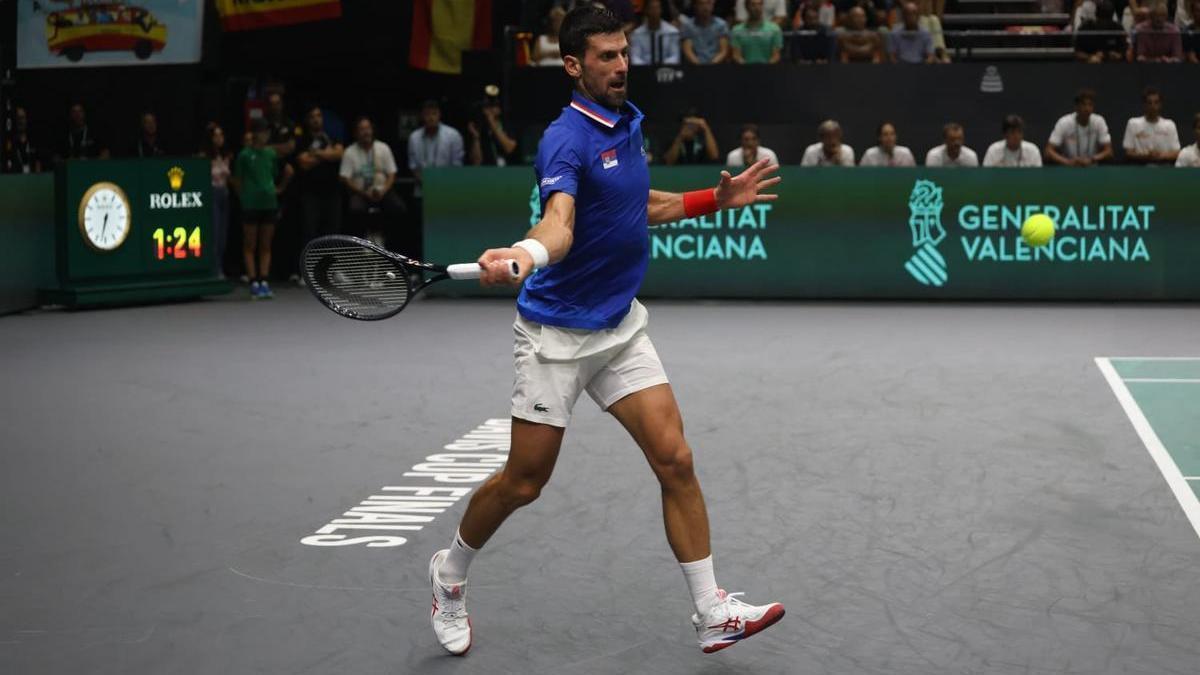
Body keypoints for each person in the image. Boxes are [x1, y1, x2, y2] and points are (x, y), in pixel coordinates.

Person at [427, 5, 785, 658]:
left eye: (624, 53)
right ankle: (449, 573)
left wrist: (714, 199)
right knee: (524, 482)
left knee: (675, 457)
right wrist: (525, 253)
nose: (621, 66)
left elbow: (640, 205)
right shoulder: (565, 139)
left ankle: (711, 610)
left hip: (618, 325)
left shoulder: (628, 120)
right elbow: (558, 223)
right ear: (573, 65)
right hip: (556, 337)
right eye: (606, 56)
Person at [232, 118, 293, 299]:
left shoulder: (270, 154)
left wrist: (280, 187)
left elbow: (274, 175)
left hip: (269, 203)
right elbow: (237, 180)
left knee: (266, 244)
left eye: (266, 132)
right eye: (261, 132)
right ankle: (253, 281)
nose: (264, 135)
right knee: (250, 244)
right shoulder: (244, 155)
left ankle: (264, 280)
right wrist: (243, 198)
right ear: (254, 134)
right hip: (250, 204)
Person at [341, 117, 405, 246]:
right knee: (355, 209)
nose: (366, 132)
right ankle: (361, 243)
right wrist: (362, 192)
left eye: (368, 128)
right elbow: (344, 178)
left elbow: (392, 173)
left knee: (398, 207)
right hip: (360, 192)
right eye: (362, 129)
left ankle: (388, 241)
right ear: (356, 133)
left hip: (382, 190)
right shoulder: (349, 151)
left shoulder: (383, 148)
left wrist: (384, 190)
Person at [294, 105, 345, 250]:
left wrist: (315, 153)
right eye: (312, 117)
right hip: (310, 193)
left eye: (319, 116)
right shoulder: (302, 139)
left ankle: (330, 269)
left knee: (332, 233)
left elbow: (339, 153)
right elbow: (303, 163)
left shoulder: (331, 137)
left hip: (332, 192)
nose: (316, 119)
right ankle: (308, 269)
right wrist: (327, 154)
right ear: (307, 120)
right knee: (310, 231)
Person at [407, 99, 465, 197]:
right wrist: (425, 182)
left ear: (439, 115)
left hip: (447, 190)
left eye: (434, 114)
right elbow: (413, 165)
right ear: (422, 116)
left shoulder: (453, 135)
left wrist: (440, 184)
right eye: (427, 114)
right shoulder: (414, 137)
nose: (431, 118)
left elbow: (457, 165)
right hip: (422, 190)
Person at [1044, 89, 1113, 167]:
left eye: (1090, 105)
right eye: (1083, 104)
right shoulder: (1064, 122)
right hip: (1068, 169)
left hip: (1092, 168)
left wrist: (1092, 159)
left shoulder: (1099, 121)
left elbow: (1109, 151)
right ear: (1076, 107)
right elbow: (1048, 151)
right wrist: (1067, 161)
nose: (1087, 108)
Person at [201, 122, 232, 278]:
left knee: (223, 234)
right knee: (214, 232)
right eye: (216, 135)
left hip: (224, 194)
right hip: (211, 193)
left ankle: (220, 267)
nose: (220, 138)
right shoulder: (204, 157)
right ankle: (212, 269)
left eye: (221, 135)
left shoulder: (225, 155)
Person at [1122, 86, 1181, 164]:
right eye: (1149, 103)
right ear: (1144, 105)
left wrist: (1160, 156)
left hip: (1164, 168)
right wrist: (1146, 156)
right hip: (1140, 168)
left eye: (1156, 102)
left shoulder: (1170, 125)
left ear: (1160, 104)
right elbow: (1128, 152)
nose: (1153, 106)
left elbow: (1176, 153)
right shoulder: (1133, 123)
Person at [469, 85, 520, 167]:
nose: (490, 109)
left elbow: (509, 148)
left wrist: (491, 121)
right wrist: (476, 137)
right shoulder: (479, 126)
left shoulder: (507, 124)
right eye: (487, 106)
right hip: (486, 172)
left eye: (493, 106)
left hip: (508, 171)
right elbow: (476, 162)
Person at [631, 0, 682, 64]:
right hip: (644, 70)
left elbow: (675, 56)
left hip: (666, 70)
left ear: (661, 10)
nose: (654, 11)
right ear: (646, 10)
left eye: (657, 8)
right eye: (651, 8)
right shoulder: (637, 34)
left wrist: (660, 67)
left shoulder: (672, 32)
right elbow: (635, 57)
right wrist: (647, 68)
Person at [3, 107, 42, 174]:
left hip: (32, 182)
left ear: (26, 119)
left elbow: (38, 165)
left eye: (22, 117)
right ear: (15, 120)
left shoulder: (33, 142)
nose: (20, 121)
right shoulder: (10, 144)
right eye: (18, 118)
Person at [264, 91, 297, 160]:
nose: (275, 107)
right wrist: (284, 147)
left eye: (277, 103)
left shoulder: (289, 123)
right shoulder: (262, 124)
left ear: (282, 104)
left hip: (286, 164)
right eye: (272, 104)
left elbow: (291, 147)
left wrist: (271, 147)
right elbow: (261, 149)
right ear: (268, 106)